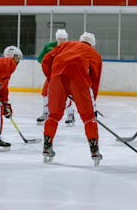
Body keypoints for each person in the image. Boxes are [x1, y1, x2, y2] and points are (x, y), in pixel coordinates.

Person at [41, 32, 103, 165]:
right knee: (88, 118)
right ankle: (94, 150)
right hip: (79, 81)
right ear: (92, 44)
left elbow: (46, 60)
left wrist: (51, 78)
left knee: (53, 116)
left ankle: (47, 146)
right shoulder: (94, 54)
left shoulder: (66, 45)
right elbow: (95, 80)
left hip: (57, 78)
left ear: (80, 40)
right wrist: (92, 106)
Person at [36, 29, 75, 126]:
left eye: (64, 39)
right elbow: (40, 58)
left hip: (65, 75)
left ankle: (70, 114)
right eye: (60, 39)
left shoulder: (71, 47)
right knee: (46, 94)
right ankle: (45, 113)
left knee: (66, 95)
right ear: (56, 39)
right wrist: (49, 66)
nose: (62, 41)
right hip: (52, 75)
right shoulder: (49, 46)